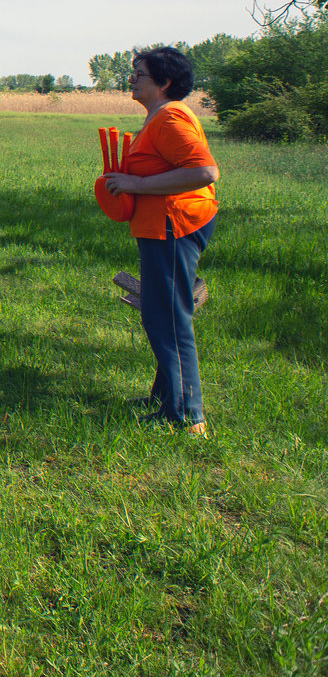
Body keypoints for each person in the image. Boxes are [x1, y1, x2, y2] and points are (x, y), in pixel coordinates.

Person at [104, 46, 219, 435]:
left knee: (168, 318)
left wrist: (137, 183)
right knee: (159, 313)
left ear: (164, 82)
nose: (132, 79)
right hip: (160, 228)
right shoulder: (159, 117)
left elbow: (204, 171)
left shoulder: (170, 118)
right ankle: (167, 397)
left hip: (175, 227)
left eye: (139, 73)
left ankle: (188, 416)